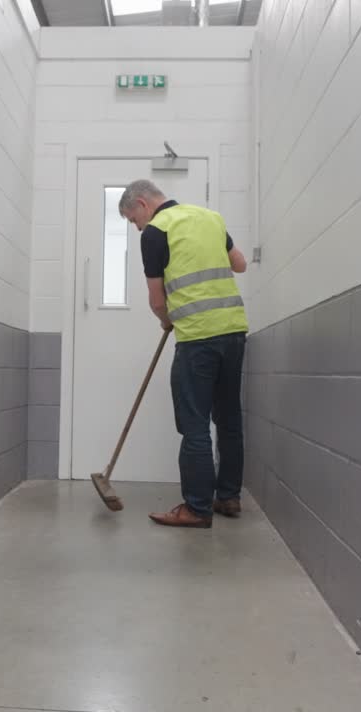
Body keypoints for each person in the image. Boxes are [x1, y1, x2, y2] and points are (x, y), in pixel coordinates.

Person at [118, 179, 249, 529]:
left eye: (133, 220)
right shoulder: (211, 218)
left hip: (197, 337)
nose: (136, 227)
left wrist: (166, 321)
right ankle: (229, 497)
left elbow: (157, 300)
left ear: (143, 204)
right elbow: (240, 265)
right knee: (229, 419)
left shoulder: (156, 231)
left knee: (194, 425)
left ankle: (196, 508)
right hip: (234, 331)